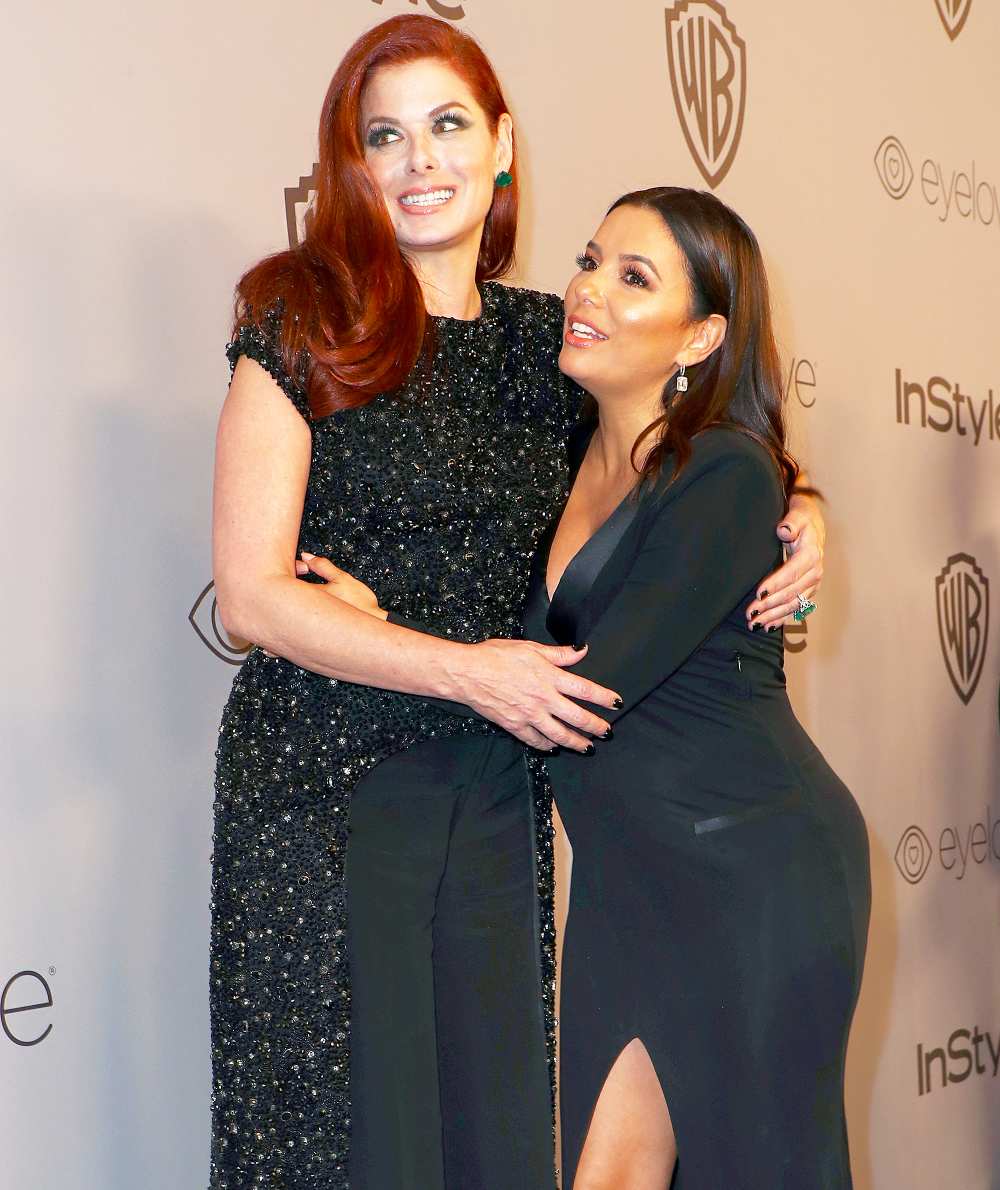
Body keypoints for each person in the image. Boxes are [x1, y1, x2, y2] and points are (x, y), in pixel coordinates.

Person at [210, 13, 827, 1189]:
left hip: (493, 796)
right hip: (327, 791)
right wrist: (461, 663)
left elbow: (702, 448)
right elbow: (248, 592)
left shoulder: (551, 344)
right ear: (349, 163)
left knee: (490, 1134)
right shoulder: (302, 316)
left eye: (447, 126)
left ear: (502, 146)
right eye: (382, 135)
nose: (419, 160)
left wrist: (807, 515)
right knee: (346, 1143)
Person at [520, 188, 870, 1188]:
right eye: (590, 260)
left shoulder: (723, 472)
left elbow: (586, 689)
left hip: (752, 874)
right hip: (630, 887)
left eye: (634, 278)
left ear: (703, 334)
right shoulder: (560, 453)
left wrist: (391, 666)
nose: (587, 289)